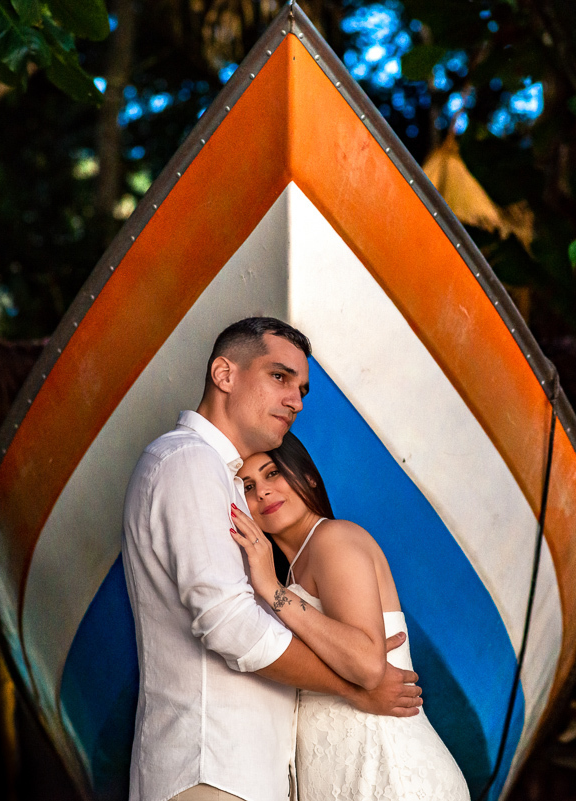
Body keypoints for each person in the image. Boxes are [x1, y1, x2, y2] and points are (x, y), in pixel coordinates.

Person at [121, 317, 423, 801]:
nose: (296, 401)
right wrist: (352, 687)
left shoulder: (221, 478)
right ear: (225, 375)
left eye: (301, 388)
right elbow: (229, 624)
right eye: (279, 377)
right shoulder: (189, 462)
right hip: (211, 767)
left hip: (240, 771)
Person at [230, 432, 470, 801]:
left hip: (389, 775)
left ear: (308, 476)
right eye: (247, 486)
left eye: (273, 473)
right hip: (349, 778)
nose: (261, 492)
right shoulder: (294, 570)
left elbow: (366, 664)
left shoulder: (333, 539)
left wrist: (272, 590)